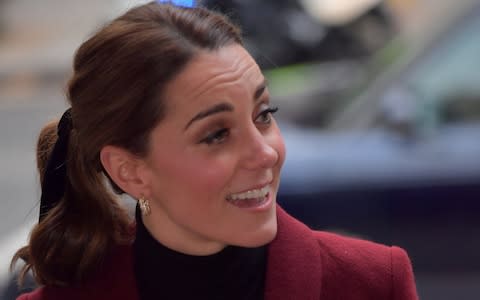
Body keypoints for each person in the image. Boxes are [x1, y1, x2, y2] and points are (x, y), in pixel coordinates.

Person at [11, 2, 418, 299]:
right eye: (216, 135)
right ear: (129, 171)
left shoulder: (374, 282)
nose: (266, 154)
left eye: (264, 114)